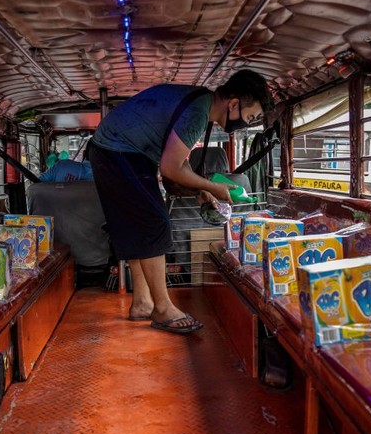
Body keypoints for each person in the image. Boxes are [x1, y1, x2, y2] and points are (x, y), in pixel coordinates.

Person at [88, 69, 272, 334]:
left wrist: (200, 190)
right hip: (118, 150)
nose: (247, 123)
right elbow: (171, 168)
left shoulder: (199, 104)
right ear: (233, 104)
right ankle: (162, 309)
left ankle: (142, 302)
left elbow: (177, 158)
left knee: (139, 225)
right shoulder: (198, 112)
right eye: (250, 116)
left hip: (117, 150)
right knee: (155, 222)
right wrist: (214, 187)